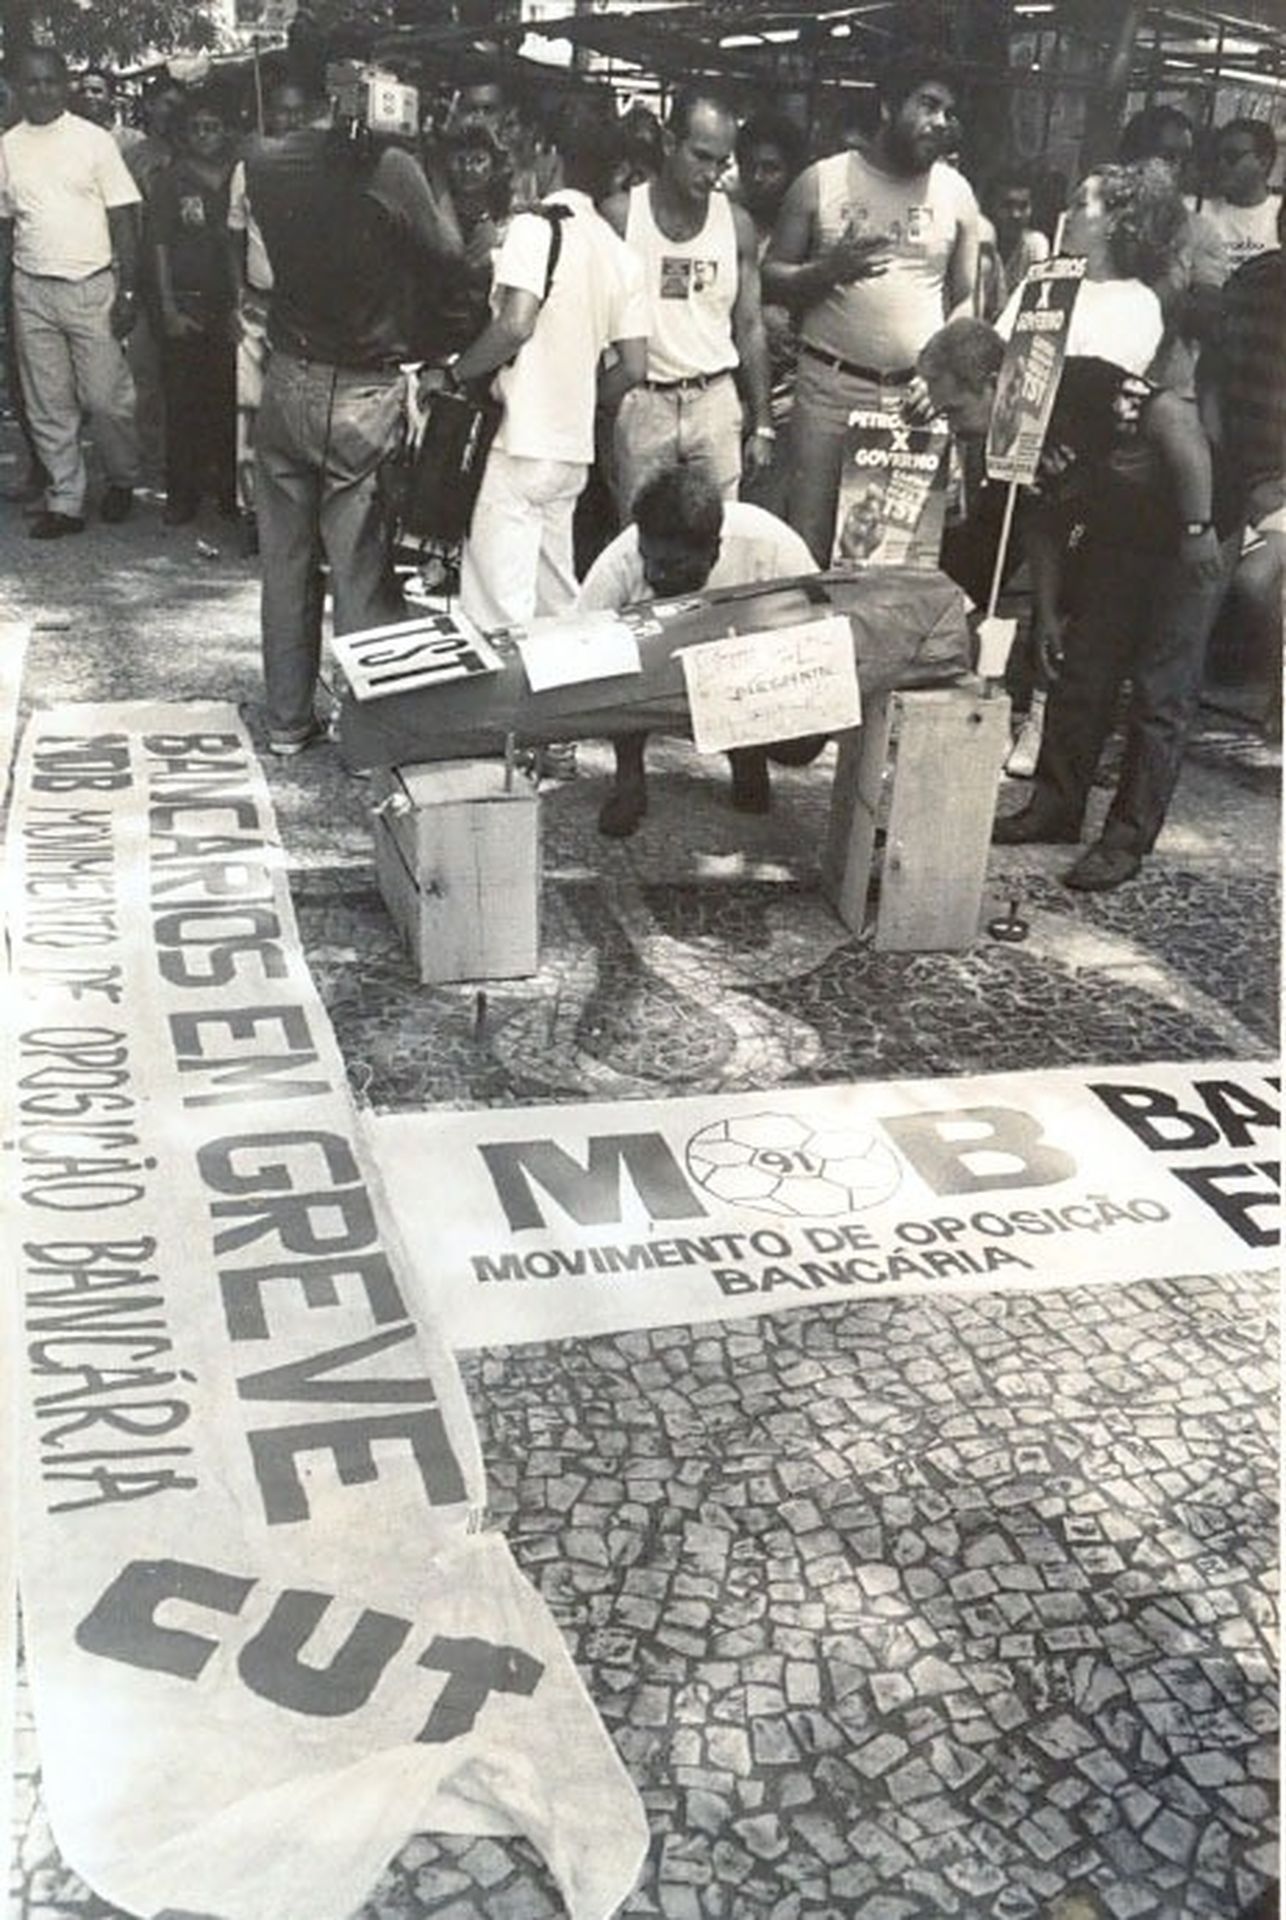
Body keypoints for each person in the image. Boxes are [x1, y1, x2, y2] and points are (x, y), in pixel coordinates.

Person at [921, 300, 1230, 893]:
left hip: (1195, 521)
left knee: (1161, 688)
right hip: (1121, 537)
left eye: (956, 409)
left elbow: (1175, 422)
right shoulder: (1004, 440)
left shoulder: (1080, 383)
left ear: (992, 383)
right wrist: (1047, 611)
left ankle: (1126, 838)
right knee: (1081, 666)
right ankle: (1056, 806)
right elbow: (1038, 521)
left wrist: (1198, 526)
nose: (952, 425)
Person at [248, 87, 462, 755]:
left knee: (285, 562)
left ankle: (286, 721)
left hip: (288, 373)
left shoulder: (266, 158)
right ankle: (365, 732)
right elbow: (449, 254)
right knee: (358, 569)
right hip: (361, 388)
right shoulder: (393, 168)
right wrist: (429, 164)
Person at [763, 50, 980, 564]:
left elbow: (966, 298)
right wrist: (826, 271)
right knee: (812, 544)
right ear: (887, 105)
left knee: (898, 553)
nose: (940, 121)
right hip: (830, 391)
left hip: (915, 398)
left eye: (949, 112)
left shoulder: (957, 193)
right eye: (928, 104)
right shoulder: (822, 181)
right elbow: (769, 277)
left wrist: (942, 373)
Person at [453, 99, 646, 632]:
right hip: (570, 453)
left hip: (517, 443)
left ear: (550, 154)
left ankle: (503, 692)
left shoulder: (536, 228)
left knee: (497, 613)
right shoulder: (618, 252)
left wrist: (455, 373)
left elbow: (516, 324)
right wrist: (578, 397)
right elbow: (634, 366)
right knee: (555, 607)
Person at [577, 463, 819, 836]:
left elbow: (823, 633)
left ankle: (746, 749)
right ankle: (629, 777)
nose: (654, 574)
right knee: (618, 653)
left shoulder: (774, 547)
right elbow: (579, 645)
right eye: (647, 558)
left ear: (715, 551)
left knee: (802, 744)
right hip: (654, 675)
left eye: (671, 565)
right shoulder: (619, 561)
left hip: (746, 671)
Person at [602, 86, 774, 514]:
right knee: (639, 534)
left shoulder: (736, 225)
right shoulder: (620, 217)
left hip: (713, 399)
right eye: (701, 156)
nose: (711, 173)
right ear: (668, 143)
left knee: (720, 532)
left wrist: (763, 424)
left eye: (722, 162)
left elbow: (750, 327)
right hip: (643, 401)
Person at [0, 45, 142, 537]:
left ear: (66, 85)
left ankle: (122, 477)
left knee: (106, 400)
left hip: (91, 286)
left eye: (50, 81)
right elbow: (5, 227)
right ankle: (66, 500)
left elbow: (123, 218)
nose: (41, 90)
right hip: (32, 288)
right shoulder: (7, 147)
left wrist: (128, 292)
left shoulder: (94, 141)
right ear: (17, 88)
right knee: (48, 402)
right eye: (31, 82)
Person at [227, 78, 311, 545]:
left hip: (306, 314)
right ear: (268, 114)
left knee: (298, 418)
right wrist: (237, 292)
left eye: (298, 111)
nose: (290, 119)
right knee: (250, 412)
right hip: (257, 307)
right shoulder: (248, 167)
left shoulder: (322, 167)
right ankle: (253, 513)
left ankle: (297, 521)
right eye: (282, 110)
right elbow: (233, 236)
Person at [151, 90, 236, 525]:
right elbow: (159, 245)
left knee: (228, 400)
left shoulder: (240, 174)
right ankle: (181, 493)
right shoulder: (172, 179)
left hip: (231, 306)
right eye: (196, 128)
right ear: (184, 134)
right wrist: (167, 308)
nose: (204, 135)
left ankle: (229, 489)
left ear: (226, 131)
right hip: (187, 303)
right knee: (184, 402)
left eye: (212, 127)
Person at [1117, 104, 1227, 393]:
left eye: (1185, 158)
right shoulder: (1093, 219)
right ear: (1133, 157)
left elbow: (1208, 314)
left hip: (1166, 384)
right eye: (1167, 156)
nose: (1179, 168)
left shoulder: (1201, 231)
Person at [734, 110, 806, 515]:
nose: (758, 177)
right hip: (729, 392)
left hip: (786, 401)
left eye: (771, 168)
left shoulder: (806, 235)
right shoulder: (727, 223)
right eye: (750, 167)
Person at [1201, 119, 1281, 274]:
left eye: (1232, 156)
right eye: (1217, 157)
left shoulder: (1281, 212)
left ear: (1263, 162)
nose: (1221, 164)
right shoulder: (1197, 210)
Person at [988, 166, 1049, 299]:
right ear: (991, 206)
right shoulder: (980, 245)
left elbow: (1035, 299)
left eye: (1023, 207)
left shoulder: (1034, 244)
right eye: (1007, 205)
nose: (1016, 215)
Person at [75, 67, 142, 156]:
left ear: (112, 98)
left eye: (96, 91)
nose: (88, 95)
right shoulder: (69, 139)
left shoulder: (132, 140)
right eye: (82, 91)